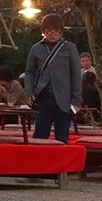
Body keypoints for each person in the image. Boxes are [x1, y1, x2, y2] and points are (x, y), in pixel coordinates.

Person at [24, 16, 78, 144]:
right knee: (40, 136)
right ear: (43, 31)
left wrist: (76, 100)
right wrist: (30, 91)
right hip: (43, 96)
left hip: (64, 98)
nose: (52, 34)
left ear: (61, 31)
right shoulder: (36, 48)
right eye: (48, 31)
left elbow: (76, 75)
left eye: (55, 31)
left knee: (62, 137)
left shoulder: (70, 48)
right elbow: (29, 72)